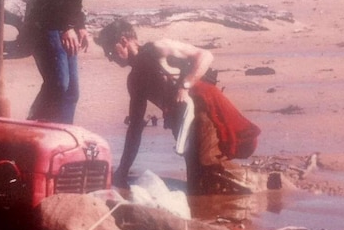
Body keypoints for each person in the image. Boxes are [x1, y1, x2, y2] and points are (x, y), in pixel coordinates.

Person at [96, 19, 261, 193]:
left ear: (123, 41)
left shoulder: (157, 49)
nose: (109, 57)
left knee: (207, 164)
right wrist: (123, 169)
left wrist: (185, 85)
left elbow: (205, 55)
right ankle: (250, 185)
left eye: (109, 50)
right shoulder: (134, 81)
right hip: (183, 123)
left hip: (205, 111)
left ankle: (260, 183)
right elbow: (135, 128)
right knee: (198, 186)